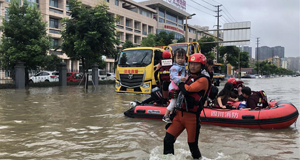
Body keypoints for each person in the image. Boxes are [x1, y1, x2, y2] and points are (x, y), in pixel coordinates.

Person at [163, 53, 210, 159]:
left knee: (192, 145)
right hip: (179, 115)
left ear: (201, 66)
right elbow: (178, 90)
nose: (193, 66)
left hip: (192, 118)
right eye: (191, 63)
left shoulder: (203, 80)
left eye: (196, 64)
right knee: (168, 139)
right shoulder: (187, 77)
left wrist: (176, 80)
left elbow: (187, 90)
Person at [162, 48, 188, 123]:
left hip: (180, 86)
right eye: (178, 57)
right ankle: (165, 115)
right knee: (173, 102)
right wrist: (181, 78)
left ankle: (172, 114)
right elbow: (173, 77)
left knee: (178, 102)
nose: (180, 59)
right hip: (174, 87)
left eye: (182, 57)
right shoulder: (174, 68)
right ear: (174, 58)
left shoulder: (184, 67)